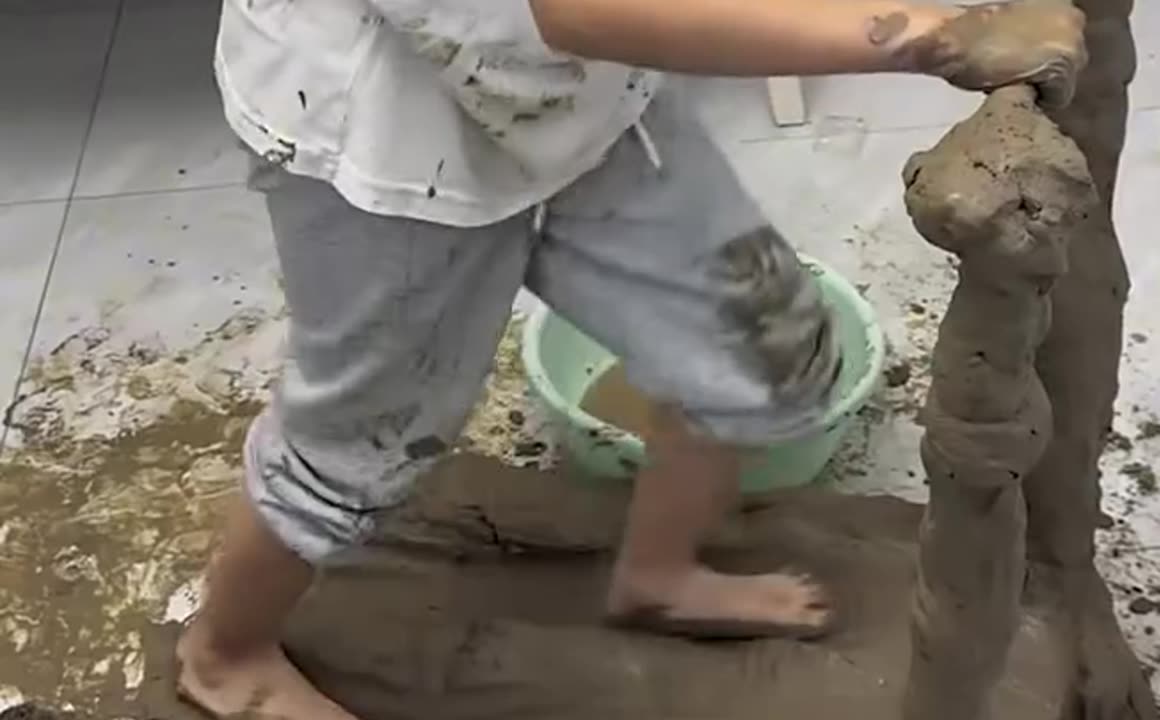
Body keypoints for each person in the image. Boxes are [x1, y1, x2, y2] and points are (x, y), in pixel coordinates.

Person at [176, 0, 1086, 717]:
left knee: (759, 345)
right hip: (386, 135)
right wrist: (924, 34)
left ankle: (657, 576)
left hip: (577, 97)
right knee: (357, 453)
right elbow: (577, 7)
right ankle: (224, 657)